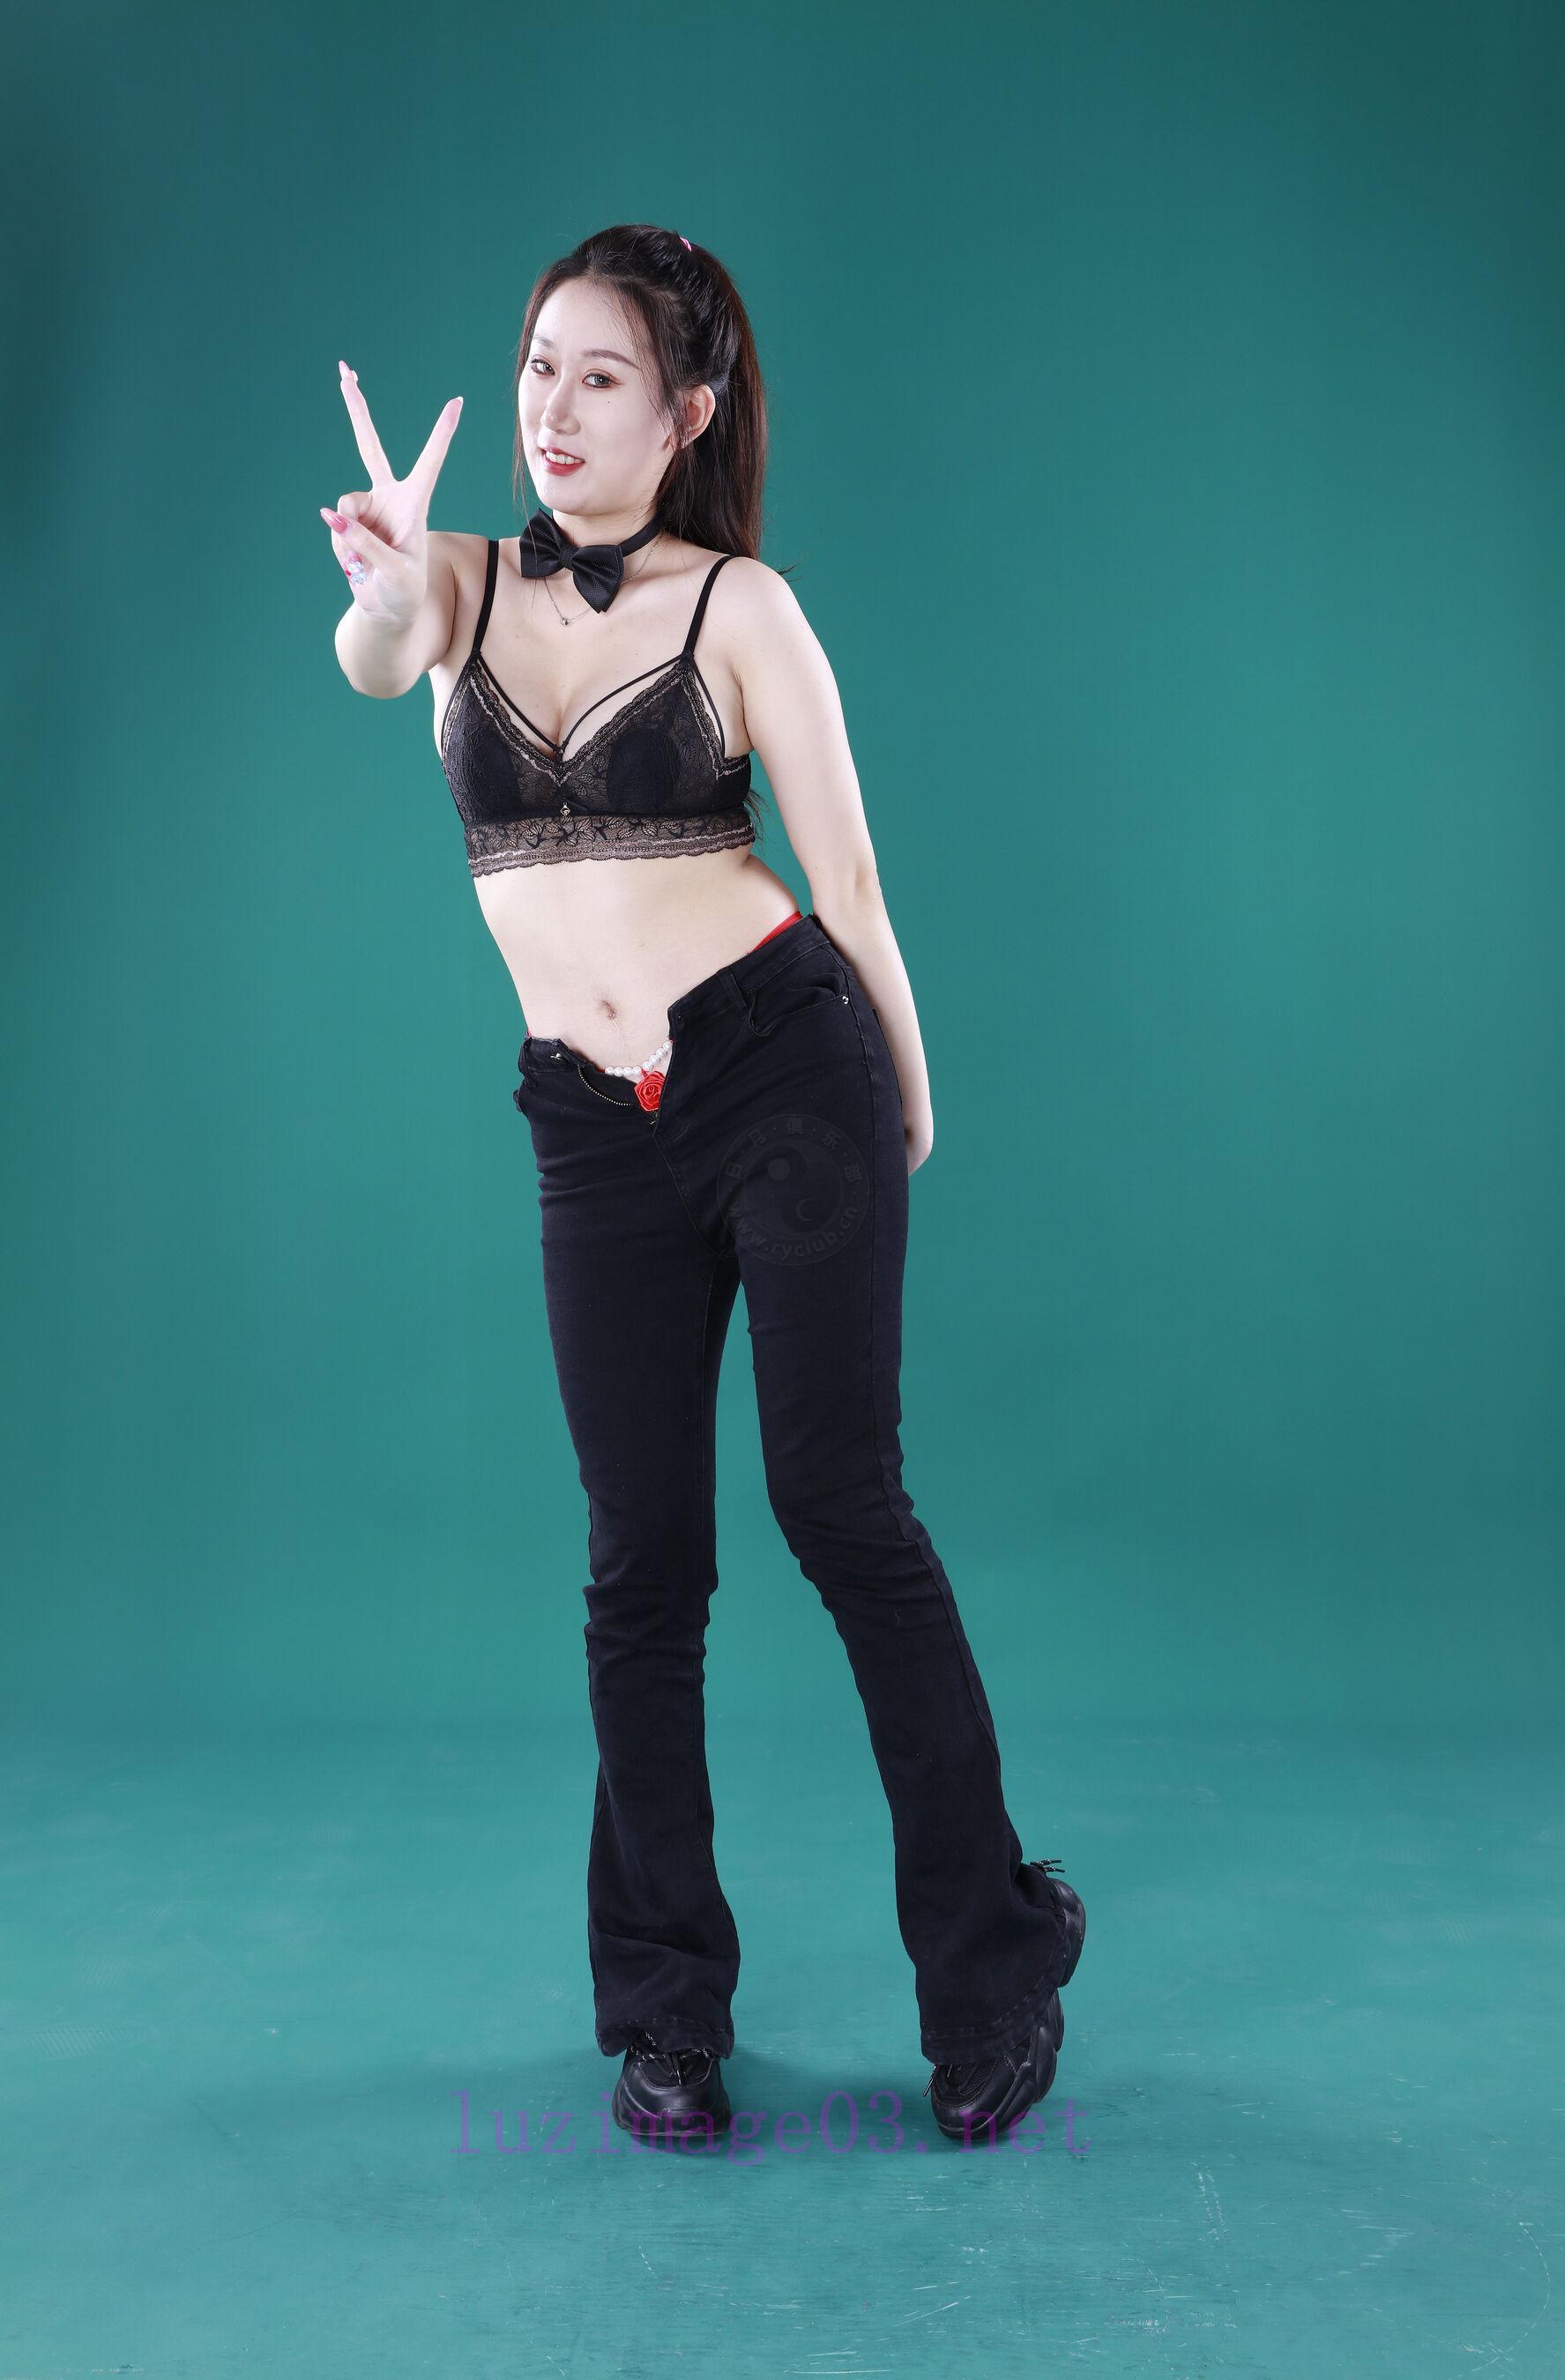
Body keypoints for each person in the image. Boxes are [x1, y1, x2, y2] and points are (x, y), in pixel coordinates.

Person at [323, 223, 1084, 2151]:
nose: (555, 408)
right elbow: (374, 657)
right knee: (639, 1564)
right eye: (537, 367)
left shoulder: (744, 607)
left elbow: (852, 884)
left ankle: (993, 1968)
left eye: (600, 376)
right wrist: (389, 579)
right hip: (591, 1124)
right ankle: (665, 2007)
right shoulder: (461, 584)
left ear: (687, 412)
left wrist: (907, 1093)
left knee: (844, 1508)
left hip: (781, 1077)